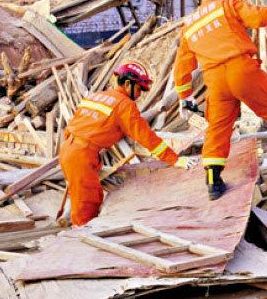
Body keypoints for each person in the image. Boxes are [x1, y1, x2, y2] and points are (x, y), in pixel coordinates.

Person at [173, 0, 267, 200]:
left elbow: (182, 66)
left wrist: (185, 95)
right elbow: (259, 16)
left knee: (218, 127)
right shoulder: (228, 5)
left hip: (214, 80)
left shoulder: (188, 27)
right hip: (240, 69)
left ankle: (213, 182)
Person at [59, 61, 196, 226]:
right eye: (138, 89)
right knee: (87, 204)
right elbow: (147, 137)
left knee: (87, 196)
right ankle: (81, 239)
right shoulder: (124, 106)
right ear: (127, 83)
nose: (139, 95)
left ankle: (80, 230)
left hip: (68, 148)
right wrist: (175, 159)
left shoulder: (96, 96)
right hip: (81, 155)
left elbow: (78, 125)